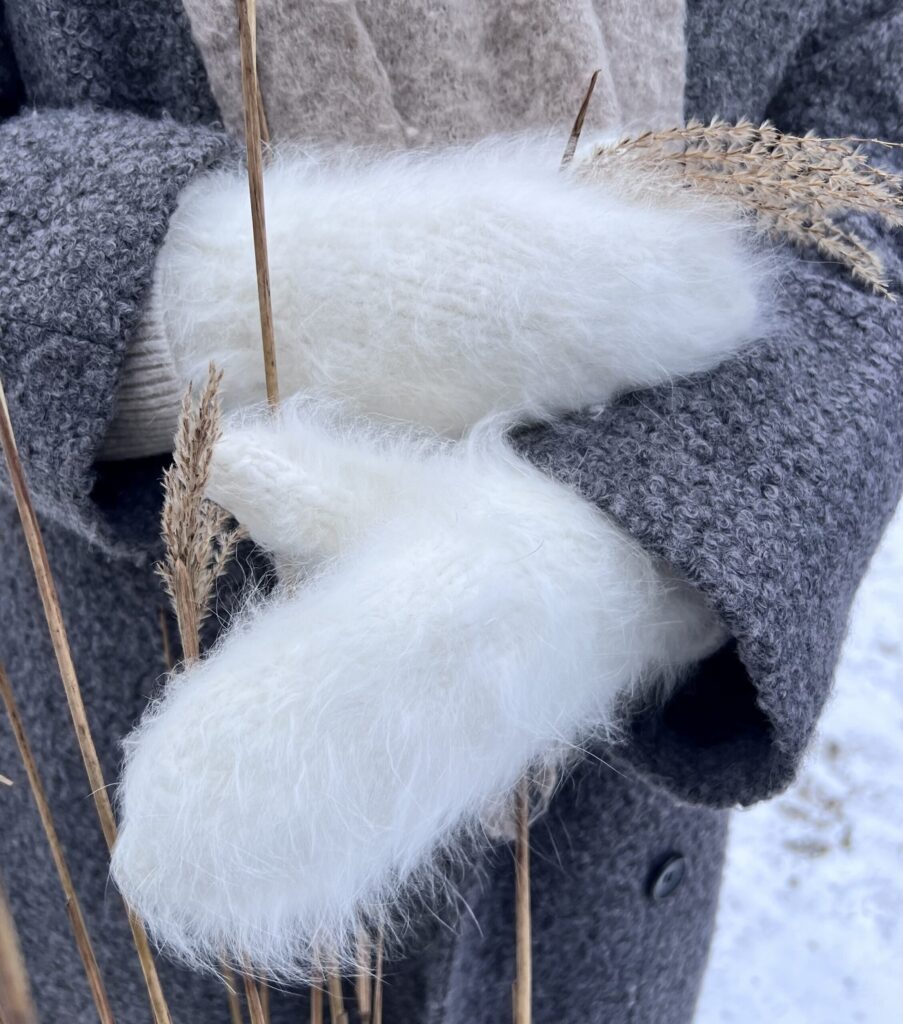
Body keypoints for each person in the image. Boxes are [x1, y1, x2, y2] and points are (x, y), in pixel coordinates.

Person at [0, 2, 900, 1022]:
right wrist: (214, 310)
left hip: (606, 850)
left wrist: (629, 564)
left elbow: (877, 112)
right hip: (132, 736)